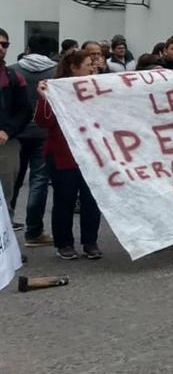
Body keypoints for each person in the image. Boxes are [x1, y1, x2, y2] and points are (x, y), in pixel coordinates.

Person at [35, 49, 103, 260]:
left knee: (92, 200)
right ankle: (64, 243)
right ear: (74, 68)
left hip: (92, 154)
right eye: (88, 64)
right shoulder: (55, 89)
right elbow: (43, 121)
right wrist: (45, 98)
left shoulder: (98, 88)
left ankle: (90, 242)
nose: (93, 67)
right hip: (64, 155)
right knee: (65, 200)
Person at [13, 34, 56, 246]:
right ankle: (34, 232)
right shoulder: (57, 72)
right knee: (39, 182)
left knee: (12, 183)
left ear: (28, 48)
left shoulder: (12, 70)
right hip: (43, 133)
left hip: (16, 134)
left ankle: (7, 232)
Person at [0, 27, 33, 230]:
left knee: (5, 197)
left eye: (4, 44)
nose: (1, 48)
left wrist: (7, 131)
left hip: (6, 145)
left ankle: (6, 250)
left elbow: (24, 112)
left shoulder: (14, 76)